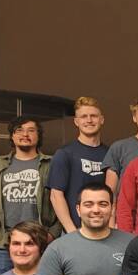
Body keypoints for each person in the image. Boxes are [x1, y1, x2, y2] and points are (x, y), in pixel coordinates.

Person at [0, 117, 61, 275]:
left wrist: (52, 233)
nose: (25, 134)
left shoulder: (52, 164)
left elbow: (64, 201)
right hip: (4, 245)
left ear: (38, 135)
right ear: (12, 136)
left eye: (31, 130)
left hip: (41, 243)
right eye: (19, 130)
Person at [48, 96, 108, 234]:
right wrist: (72, 232)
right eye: (83, 116)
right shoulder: (65, 153)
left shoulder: (111, 154)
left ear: (102, 120)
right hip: (74, 230)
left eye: (93, 116)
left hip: (104, 231)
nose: (89, 120)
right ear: (76, 121)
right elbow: (56, 196)